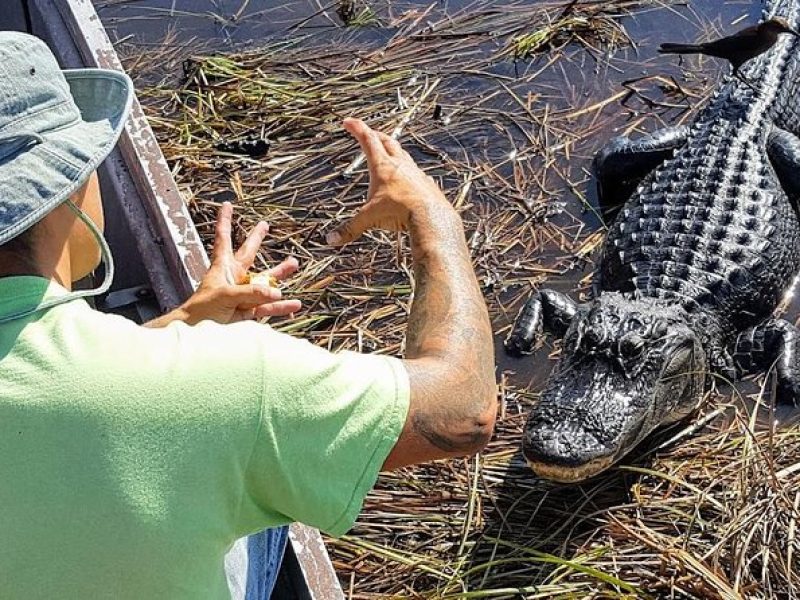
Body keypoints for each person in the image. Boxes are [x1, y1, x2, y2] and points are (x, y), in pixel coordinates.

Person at [0, 31, 496, 599]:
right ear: (68, 190)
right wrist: (434, 220)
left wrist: (181, 322)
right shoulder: (229, 380)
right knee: (261, 476)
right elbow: (464, 411)